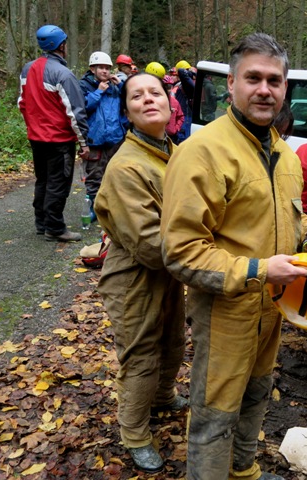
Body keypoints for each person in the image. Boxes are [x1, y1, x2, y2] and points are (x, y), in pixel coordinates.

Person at [161, 33, 307, 480]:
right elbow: (181, 252)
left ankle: (243, 470)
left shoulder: (284, 152)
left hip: (274, 309)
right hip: (226, 313)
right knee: (215, 413)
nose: (265, 89)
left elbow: (282, 220)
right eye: (253, 78)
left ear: (285, 88)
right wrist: (259, 269)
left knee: (258, 394)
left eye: (274, 80)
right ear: (233, 84)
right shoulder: (201, 152)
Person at [94, 72, 187, 474]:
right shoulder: (126, 166)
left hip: (171, 271)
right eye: (137, 96)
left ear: (170, 106)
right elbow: (150, 245)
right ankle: (133, 433)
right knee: (142, 355)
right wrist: (207, 258)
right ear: (127, 112)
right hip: (135, 276)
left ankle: (164, 396)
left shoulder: (173, 151)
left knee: (173, 341)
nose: (148, 100)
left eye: (156, 93)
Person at [18, 24, 89, 242]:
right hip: (59, 140)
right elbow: (75, 112)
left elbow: (22, 103)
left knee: (43, 181)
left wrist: (34, 125)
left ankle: (42, 223)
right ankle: (55, 228)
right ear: (61, 46)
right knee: (58, 183)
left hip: (36, 138)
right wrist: (84, 142)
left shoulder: (27, 69)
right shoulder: (63, 74)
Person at [80, 51, 127, 217]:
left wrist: (121, 85)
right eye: (101, 68)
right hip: (95, 139)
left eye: (107, 68)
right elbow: (83, 107)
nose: (105, 71)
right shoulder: (84, 85)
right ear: (93, 69)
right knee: (94, 176)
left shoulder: (115, 85)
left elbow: (129, 98)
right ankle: (93, 209)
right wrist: (98, 91)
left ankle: (112, 207)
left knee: (115, 174)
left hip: (115, 138)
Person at [173, 60, 195, 142]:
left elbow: (181, 71)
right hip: (180, 114)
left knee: (183, 139)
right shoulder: (181, 83)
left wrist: (191, 74)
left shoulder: (188, 84)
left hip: (186, 115)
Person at [163, 75, 185, 142]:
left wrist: (176, 128)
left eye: (169, 87)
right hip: (158, 134)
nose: (167, 90)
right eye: (165, 87)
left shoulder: (174, 102)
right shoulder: (156, 101)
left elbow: (181, 117)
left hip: (172, 136)